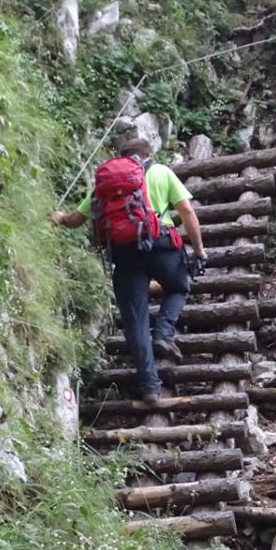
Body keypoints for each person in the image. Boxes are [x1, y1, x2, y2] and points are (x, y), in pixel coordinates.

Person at [52, 137, 207, 403]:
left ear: (121, 157)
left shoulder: (107, 186)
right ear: (149, 154)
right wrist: (200, 250)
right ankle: (163, 333)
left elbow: (75, 220)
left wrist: (59, 218)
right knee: (179, 286)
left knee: (135, 319)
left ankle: (149, 386)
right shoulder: (160, 171)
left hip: (124, 254)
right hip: (161, 245)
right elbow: (187, 211)